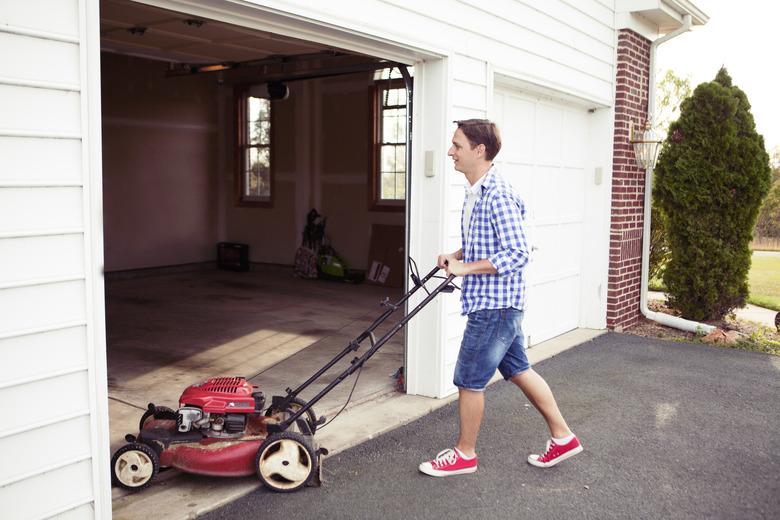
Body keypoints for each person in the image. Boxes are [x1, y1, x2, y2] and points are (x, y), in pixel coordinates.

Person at [418, 119, 582, 477]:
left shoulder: (498, 194)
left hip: (495, 307)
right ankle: (564, 436)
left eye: (457, 146)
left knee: (468, 379)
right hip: (498, 306)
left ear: (480, 150)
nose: (450, 152)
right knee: (519, 369)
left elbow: (518, 252)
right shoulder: (477, 191)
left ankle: (465, 454)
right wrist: (458, 255)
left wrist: (466, 269)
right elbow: (487, 243)